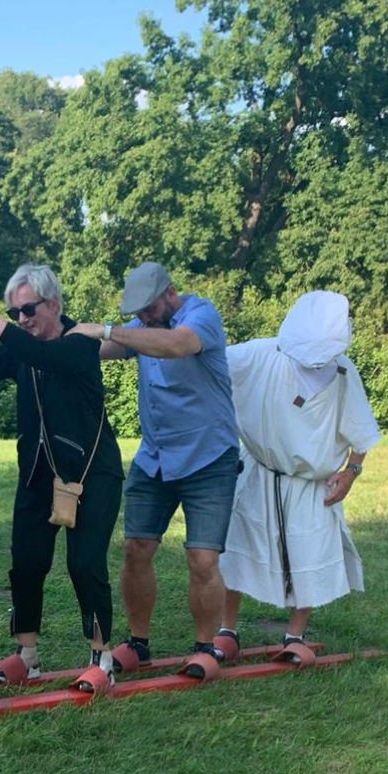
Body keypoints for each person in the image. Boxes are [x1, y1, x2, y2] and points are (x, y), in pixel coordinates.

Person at [0, 263, 123, 682]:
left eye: (28, 309)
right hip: (37, 475)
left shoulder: (80, 341)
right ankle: (26, 654)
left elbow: (44, 357)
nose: (21, 319)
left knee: (85, 564)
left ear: (54, 304)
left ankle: (101, 658)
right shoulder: (22, 348)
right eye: (13, 313)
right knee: (26, 563)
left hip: (92, 472)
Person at [70, 261, 239, 670]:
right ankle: (138, 643)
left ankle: (205, 648)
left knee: (202, 559)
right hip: (155, 459)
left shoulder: (201, 315)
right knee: (136, 549)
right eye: (137, 312)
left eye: (148, 308)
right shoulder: (142, 327)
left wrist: (106, 329)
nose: (143, 317)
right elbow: (100, 348)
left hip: (209, 458)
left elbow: (176, 345)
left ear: (170, 293)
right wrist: (57, 336)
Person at [218, 290, 382, 653]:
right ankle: (226, 630)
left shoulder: (344, 373)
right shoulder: (259, 354)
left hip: (312, 484)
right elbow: (211, 364)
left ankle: (295, 635)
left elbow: (361, 430)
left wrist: (352, 471)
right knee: (238, 549)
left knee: (308, 554)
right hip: (260, 474)